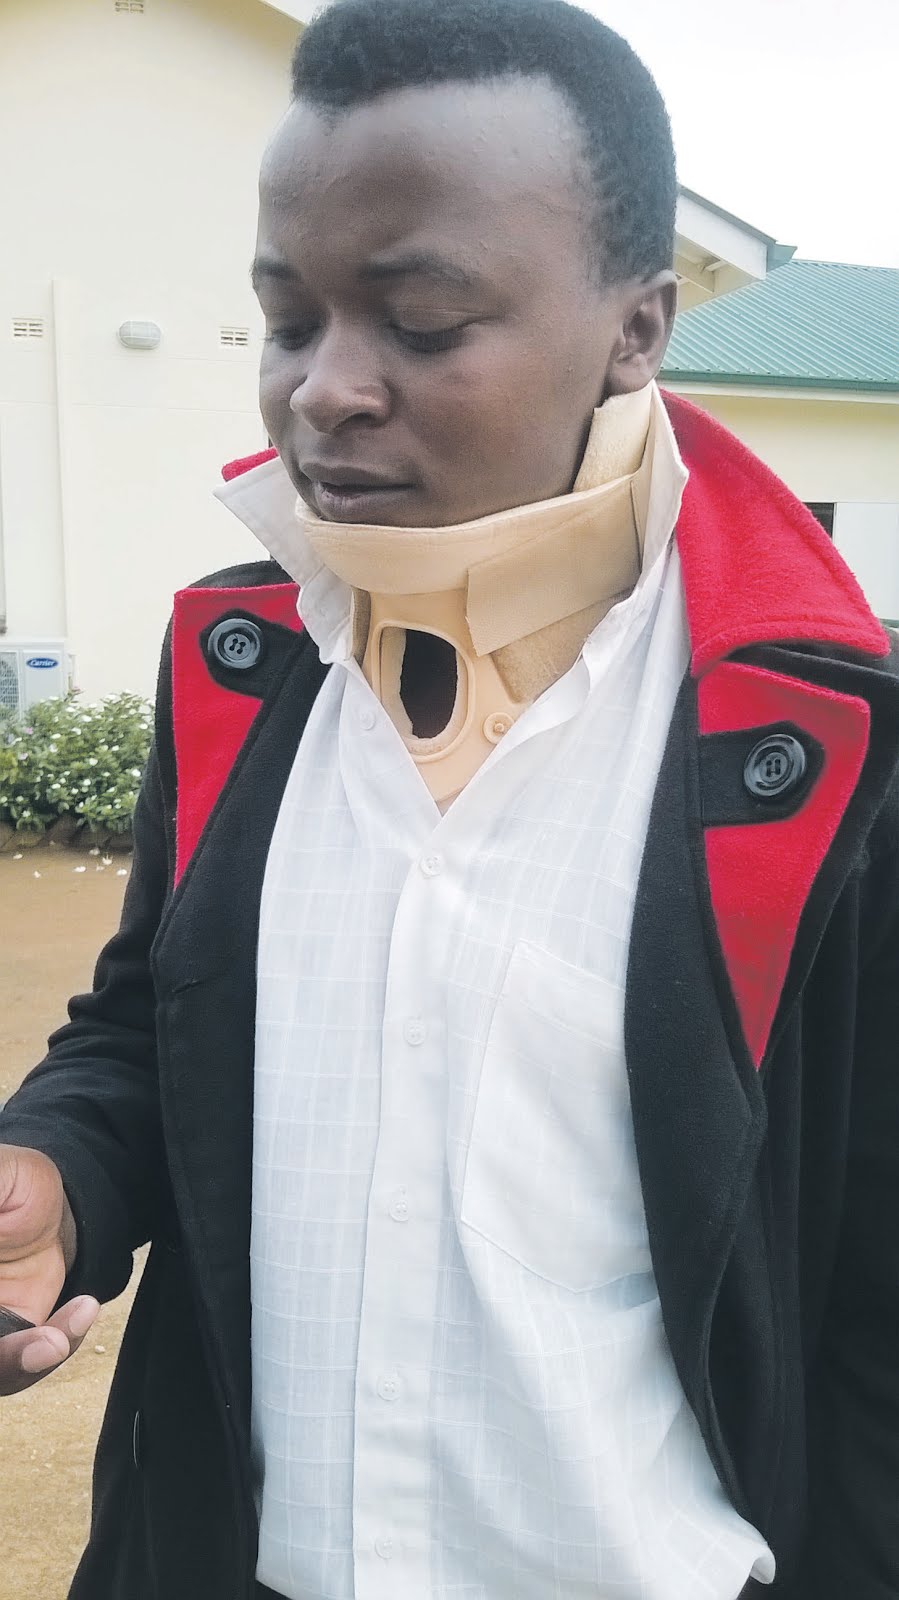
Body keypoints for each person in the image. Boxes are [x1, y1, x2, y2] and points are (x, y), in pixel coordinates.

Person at [2, 1, 898, 1595]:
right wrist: (59, 1175)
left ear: (636, 329)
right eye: (289, 319)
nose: (325, 389)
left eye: (421, 324)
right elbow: (148, 1031)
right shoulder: (240, 668)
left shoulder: (837, 751)